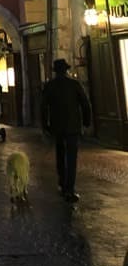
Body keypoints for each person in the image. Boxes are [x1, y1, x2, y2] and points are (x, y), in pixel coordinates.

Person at [41, 58, 91, 203]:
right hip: (73, 126)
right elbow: (85, 103)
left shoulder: (50, 86)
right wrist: (86, 122)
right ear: (66, 70)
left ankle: (62, 183)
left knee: (60, 154)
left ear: (55, 71)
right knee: (71, 157)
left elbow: (43, 107)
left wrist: (45, 125)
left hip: (57, 126)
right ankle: (70, 189)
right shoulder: (74, 84)